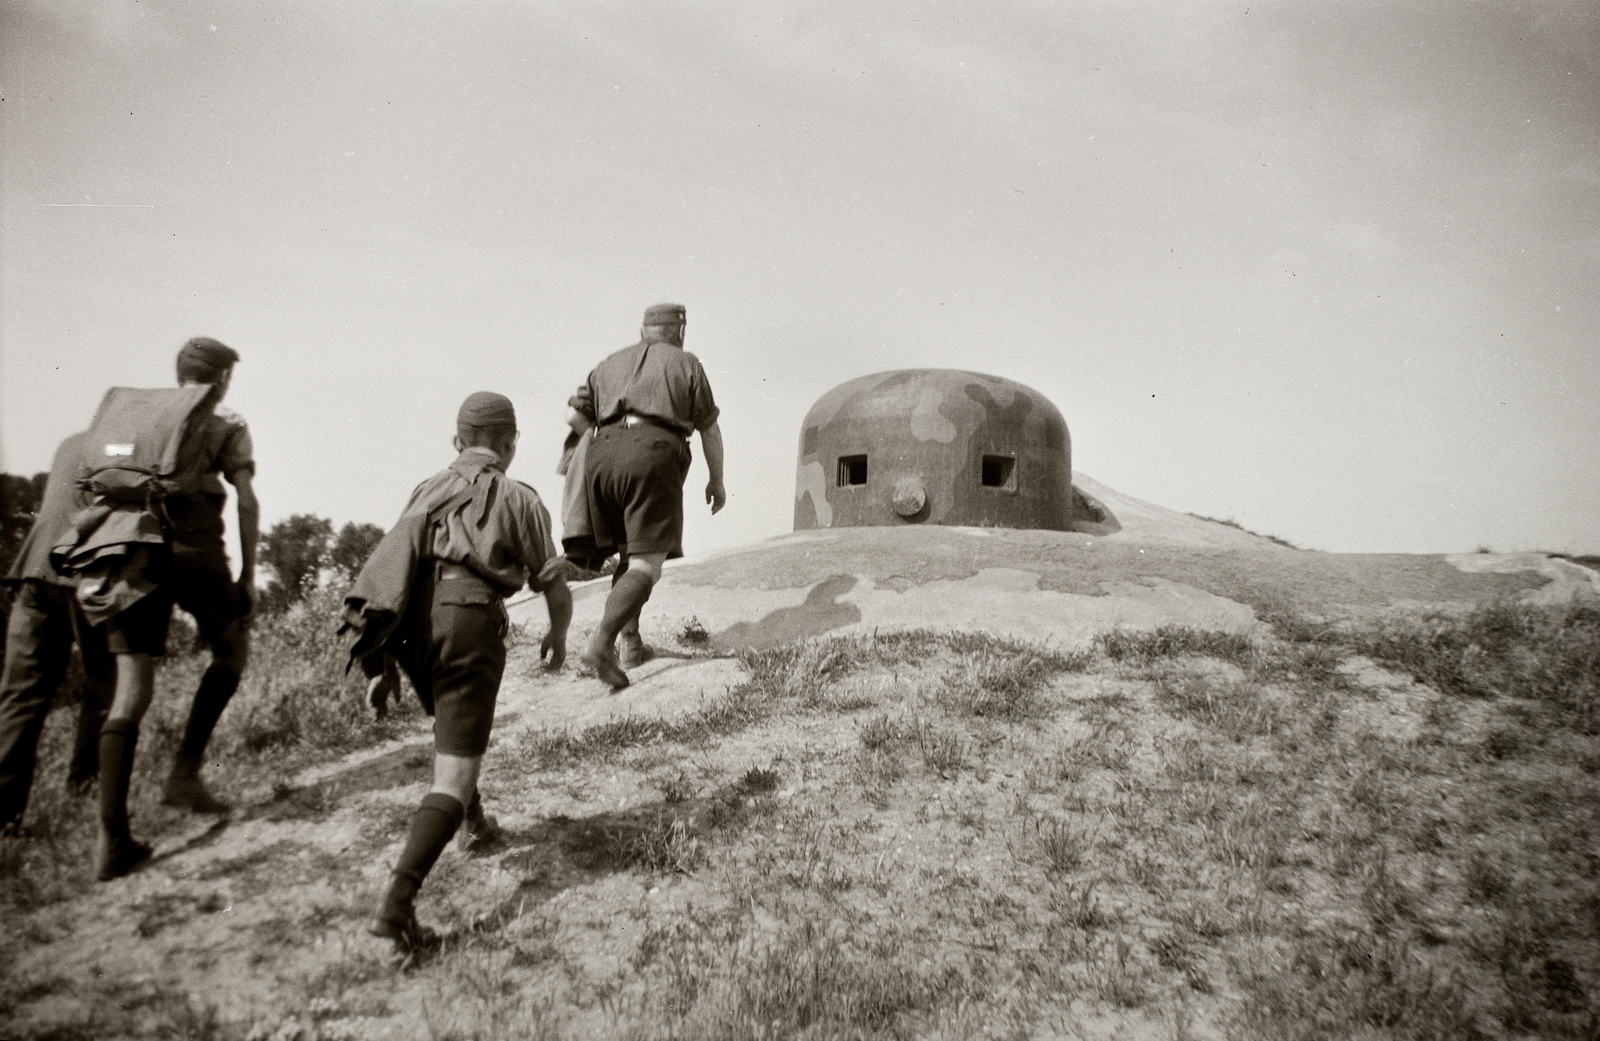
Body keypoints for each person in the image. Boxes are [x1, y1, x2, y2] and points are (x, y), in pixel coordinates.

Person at [349, 391, 572, 950]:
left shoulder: (427, 489)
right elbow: (554, 583)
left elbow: (394, 569)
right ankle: (397, 903)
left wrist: (384, 662)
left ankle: (475, 825)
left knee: (450, 727)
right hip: (468, 620)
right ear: (509, 443)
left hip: (409, 628)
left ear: (457, 442)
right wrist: (558, 633)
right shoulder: (518, 497)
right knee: (452, 775)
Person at [93, 337, 258, 880]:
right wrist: (248, 574)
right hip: (193, 548)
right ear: (221, 379)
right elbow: (247, 498)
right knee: (231, 652)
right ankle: (184, 775)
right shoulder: (225, 419)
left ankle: (112, 837)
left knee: (131, 688)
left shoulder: (139, 419)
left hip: (129, 547)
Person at [577, 303, 725, 689]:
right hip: (652, 451)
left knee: (629, 551)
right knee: (647, 565)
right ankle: (602, 641)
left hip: (601, 453)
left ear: (643, 330)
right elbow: (709, 429)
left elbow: (574, 417)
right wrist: (717, 480)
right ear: (679, 331)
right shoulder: (687, 363)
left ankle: (630, 643)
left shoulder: (607, 363)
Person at [0, 432, 116, 836]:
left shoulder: (73, 444)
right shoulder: (126, 447)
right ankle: (82, 797)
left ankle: (4, 822)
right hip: (83, 576)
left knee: (19, 700)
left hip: (34, 572)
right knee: (105, 691)